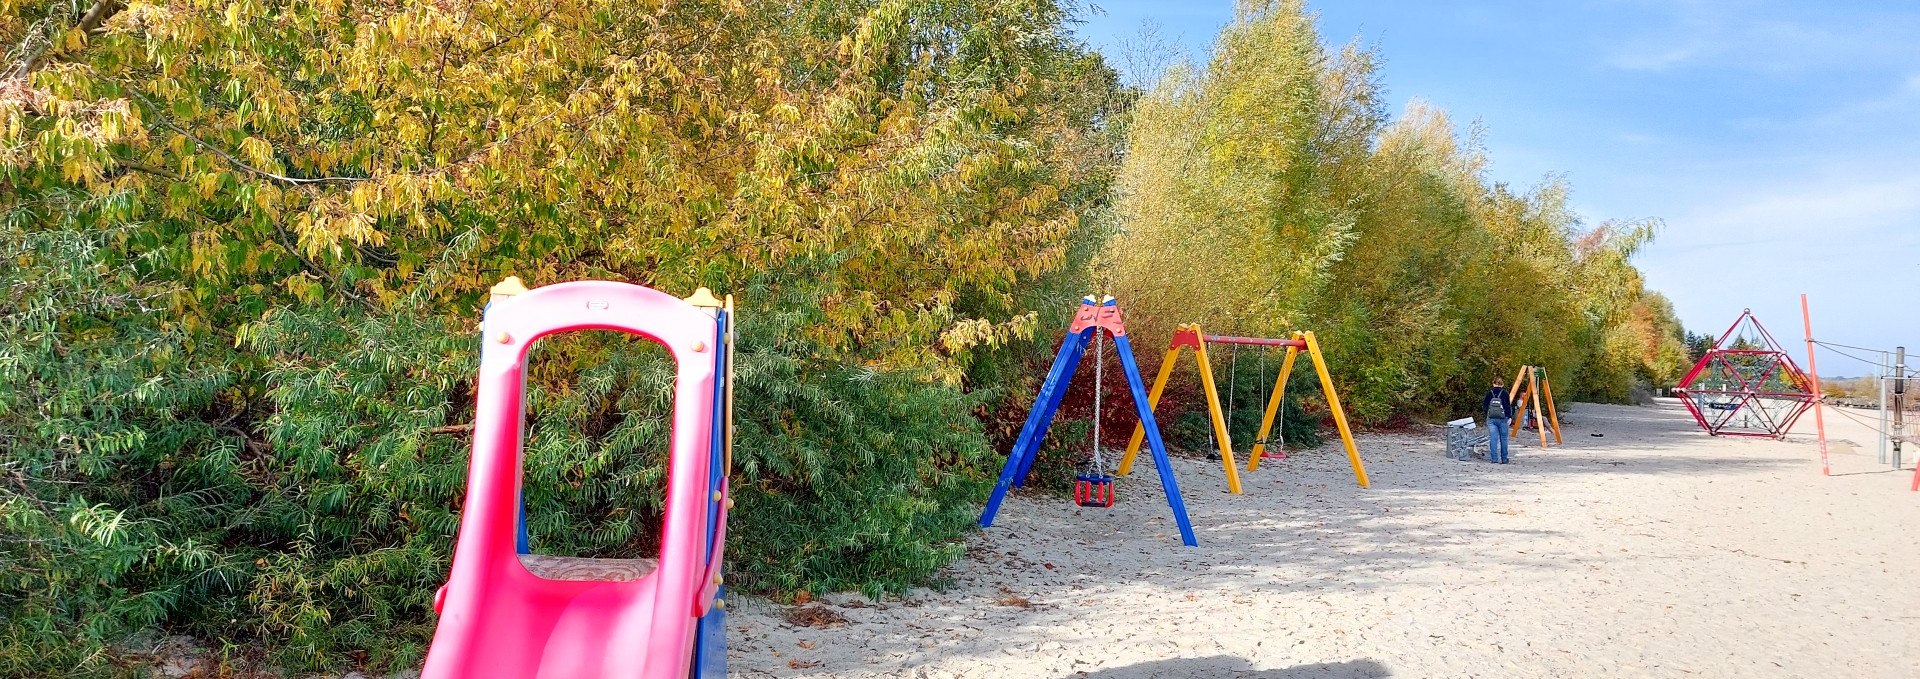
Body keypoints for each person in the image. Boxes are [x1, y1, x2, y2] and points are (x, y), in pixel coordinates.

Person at [1482, 377, 1515, 464]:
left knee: (1493, 439)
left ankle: (1494, 459)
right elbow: (1507, 406)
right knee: (1503, 439)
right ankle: (1504, 459)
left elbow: (1485, 406)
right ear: (1502, 384)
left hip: (1491, 419)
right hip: (1503, 418)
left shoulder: (1489, 393)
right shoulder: (1504, 393)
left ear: (1493, 383)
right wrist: (1509, 417)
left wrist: (1489, 413)